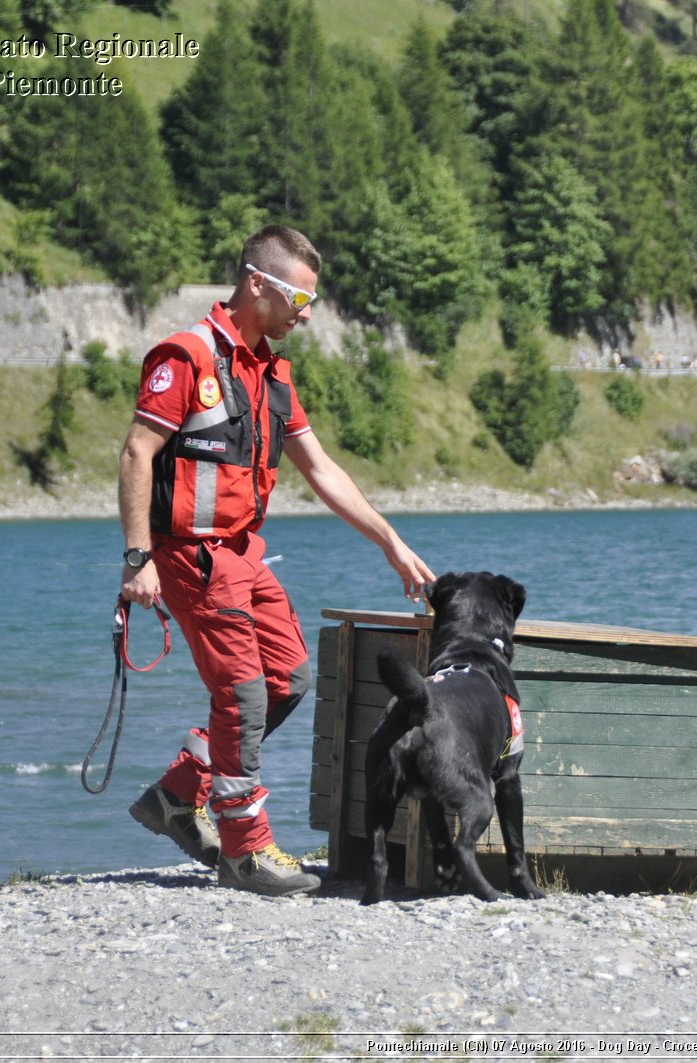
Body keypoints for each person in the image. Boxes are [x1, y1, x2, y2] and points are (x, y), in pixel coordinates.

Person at [117, 224, 435, 897]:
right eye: (298, 295)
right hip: (191, 557)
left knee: (286, 678)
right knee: (241, 691)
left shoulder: (274, 374)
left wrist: (390, 541)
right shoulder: (186, 356)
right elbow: (137, 452)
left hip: (244, 554)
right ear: (256, 283)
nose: (307, 311)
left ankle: (178, 794)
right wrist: (138, 557)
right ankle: (245, 849)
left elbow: (321, 469)